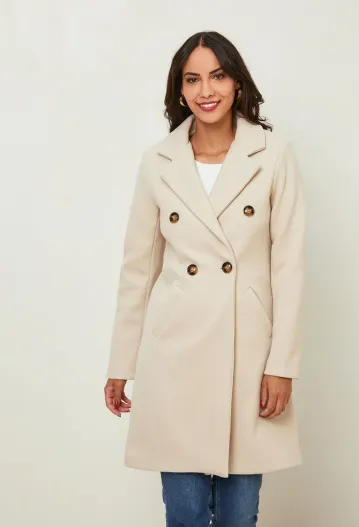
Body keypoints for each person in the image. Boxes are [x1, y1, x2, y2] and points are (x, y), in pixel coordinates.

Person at [104, 30, 306, 527]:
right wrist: (121, 363)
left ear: (237, 82)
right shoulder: (158, 161)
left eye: (217, 76)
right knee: (185, 514)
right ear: (179, 90)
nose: (206, 90)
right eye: (192, 79)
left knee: (240, 516)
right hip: (174, 355)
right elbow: (138, 269)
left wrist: (282, 364)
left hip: (248, 354)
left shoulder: (272, 154)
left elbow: (289, 267)